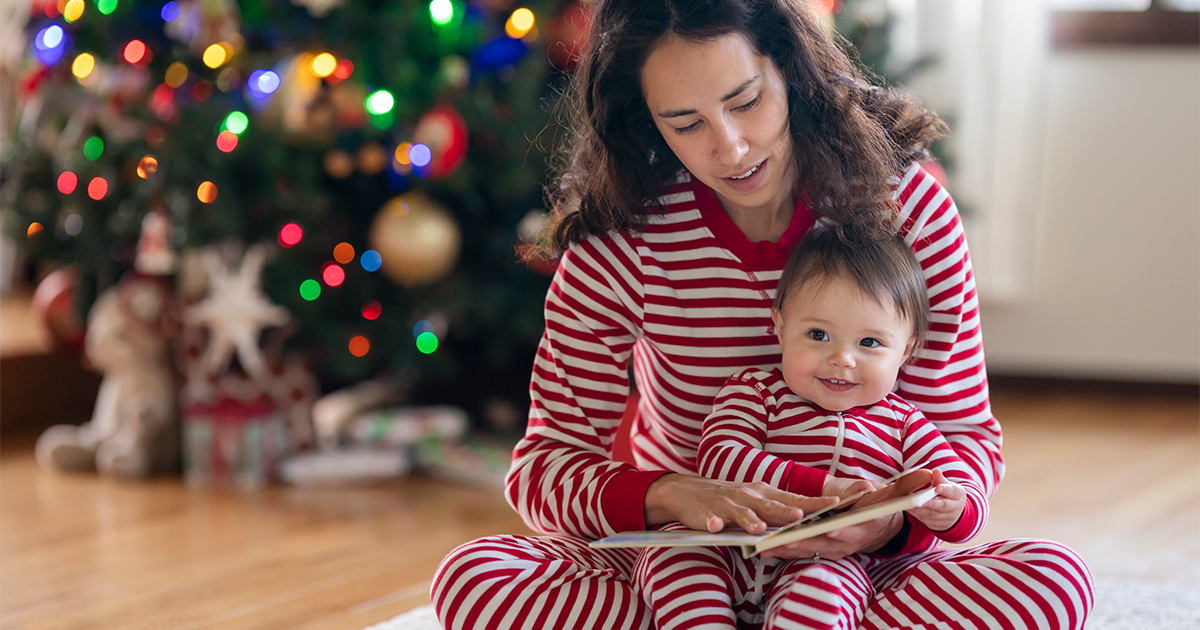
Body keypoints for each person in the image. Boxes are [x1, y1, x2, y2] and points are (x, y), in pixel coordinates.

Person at [432, 1, 1094, 628]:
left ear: (793, 72)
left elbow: (962, 436)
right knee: (473, 578)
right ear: (645, 121)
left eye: (746, 101)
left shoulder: (908, 210)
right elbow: (546, 465)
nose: (732, 147)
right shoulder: (621, 239)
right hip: (680, 561)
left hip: (862, 571)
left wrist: (892, 525)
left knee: (1056, 583)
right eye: (686, 123)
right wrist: (665, 494)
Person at [635, 223, 989, 630]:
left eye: (870, 343)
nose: (842, 358)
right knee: (671, 554)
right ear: (781, 327)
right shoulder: (754, 391)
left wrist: (955, 506)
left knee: (825, 590)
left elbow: (956, 479)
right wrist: (831, 489)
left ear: (906, 350)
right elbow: (722, 457)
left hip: (832, 560)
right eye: (818, 334)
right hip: (726, 545)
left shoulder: (905, 423)